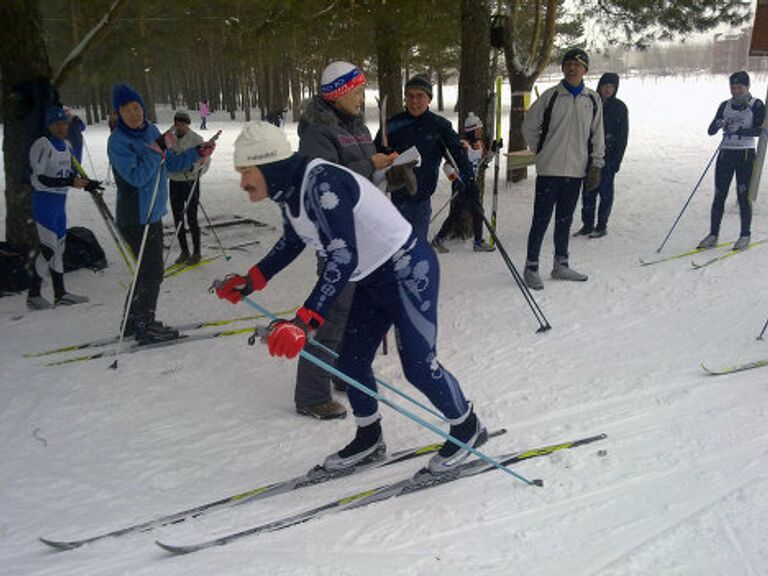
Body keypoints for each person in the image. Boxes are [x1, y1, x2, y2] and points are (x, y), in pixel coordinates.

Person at [215, 121, 487, 474]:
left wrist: (304, 321)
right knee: (352, 363)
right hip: (372, 278)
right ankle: (370, 437)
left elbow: (342, 255)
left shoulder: (321, 184)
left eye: (246, 172)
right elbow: (294, 239)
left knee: (418, 365)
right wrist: (251, 280)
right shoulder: (291, 189)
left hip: (407, 269)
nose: (243, 182)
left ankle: (468, 428)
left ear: (268, 165)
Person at [292, 61, 397, 420]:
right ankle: (311, 394)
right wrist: (372, 166)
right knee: (332, 314)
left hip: (362, 232)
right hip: (336, 237)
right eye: (355, 91)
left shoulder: (357, 126)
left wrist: (388, 169)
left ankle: (339, 372)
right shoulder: (318, 132)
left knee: (354, 313)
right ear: (337, 92)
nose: (361, 97)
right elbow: (325, 182)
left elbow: (365, 174)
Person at [108, 84, 215, 344]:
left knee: (146, 271)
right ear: (118, 113)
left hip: (152, 213)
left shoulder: (152, 132)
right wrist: (155, 152)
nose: (133, 114)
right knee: (152, 272)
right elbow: (136, 177)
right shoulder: (118, 141)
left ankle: (133, 322)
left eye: (136, 108)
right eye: (127, 110)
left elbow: (169, 163)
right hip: (134, 217)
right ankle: (145, 325)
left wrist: (196, 152)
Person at [521, 48, 605, 290]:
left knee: (565, 220)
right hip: (550, 170)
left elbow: (597, 134)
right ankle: (531, 266)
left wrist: (596, 164)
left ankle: (561, 264)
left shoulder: (592, 99)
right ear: (563, 68)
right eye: (568, 64)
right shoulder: (551, 96)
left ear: (585, 69)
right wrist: (542, 151)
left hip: (576, 171)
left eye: (577, 65)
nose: (572, 68)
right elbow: (528, 126)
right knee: (541, 220)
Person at [374, 75, 479, 243]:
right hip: (395, 198)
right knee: (395, 250)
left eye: (420, 96)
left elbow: (456, 153)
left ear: (429, 99)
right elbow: (376, 155)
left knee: (415, 250)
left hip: (420, 200)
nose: (414, 101)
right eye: (410, 96)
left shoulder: (439, 125)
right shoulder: (392, 125)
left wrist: (469, 178)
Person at [27, 106, 97, 310]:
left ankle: (61, 293)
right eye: (57, 124)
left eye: (64, 123)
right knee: (48, 249)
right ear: (49, 125)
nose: (61, 127)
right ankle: (33, 295)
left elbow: (70, 174)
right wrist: (68, 182)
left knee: (59, 247)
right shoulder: (43, 144)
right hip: (44, 202)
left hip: (59, 203)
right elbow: (38, 178)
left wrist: (88, 183)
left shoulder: (66, 146)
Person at [698, 70, 766, 252]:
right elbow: (711, 130)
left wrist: (740, 131)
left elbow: (761, 131)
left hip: (745, 154)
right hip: (725, 154)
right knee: (719, 194)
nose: (735, 91)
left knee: (743, 196)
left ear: (747, 87)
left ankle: (745, 234)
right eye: (733, 87)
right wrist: (719, 124)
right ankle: (713, 234)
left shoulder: (756, 105)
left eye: (739, 87)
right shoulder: (725, 105)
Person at [574, 72, 628, 239]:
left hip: (609, 157)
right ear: (600, 86)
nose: (608, 89)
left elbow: (623, 135)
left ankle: (601, 225)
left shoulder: (619, 107)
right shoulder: (591, 103)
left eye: (612, 87)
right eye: (605, 86)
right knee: (588, 191)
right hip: (588, 156)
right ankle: (587, 224)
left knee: (605, 193)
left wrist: (617, 160)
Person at [431, 111, 494, 253]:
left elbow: (483, 161)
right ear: (471, 131)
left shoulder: (480, 145)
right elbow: (447, 167)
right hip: (462, 185)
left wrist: (493, 152)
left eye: (480, 130)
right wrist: (456, 180)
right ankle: (476, 242)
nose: (480, 132)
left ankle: (440, 239)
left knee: (462, 213)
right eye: (477, 130)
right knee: (472, 212)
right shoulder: (462, 146)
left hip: (473, 183)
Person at [168, 110, 206, 265]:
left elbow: (205, 161)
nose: (180, 126)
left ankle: (197, 252)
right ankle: (184, 251)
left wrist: (193, 168)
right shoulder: (168, 138)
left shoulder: (197, 139)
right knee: (178, 218)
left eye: (183, 123)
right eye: (178, 123)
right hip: (174, 182)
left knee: (192, 217)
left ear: (188, 124)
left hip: (190, 182)